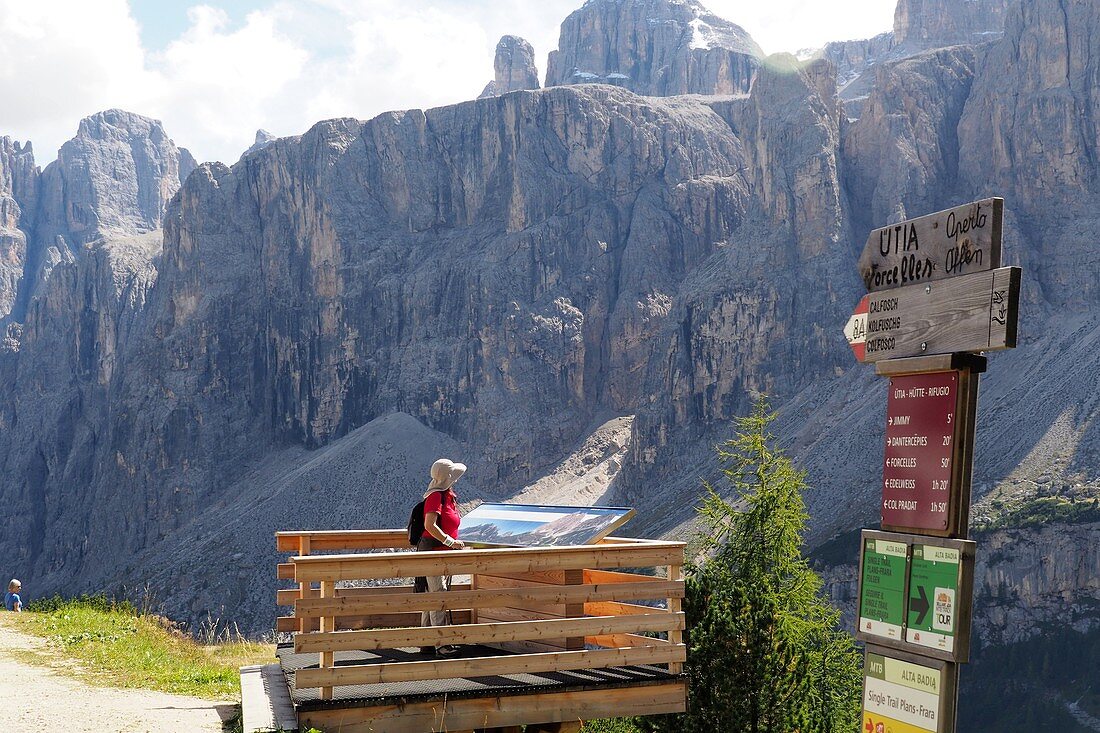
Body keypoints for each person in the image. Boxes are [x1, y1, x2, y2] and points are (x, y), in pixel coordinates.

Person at [416, 458, 467, 656]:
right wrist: (450, 542)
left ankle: (426, 642)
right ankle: (442, 644)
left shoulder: (445, 495)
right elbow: (430, 525)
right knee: (439, 595)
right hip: (434, 552)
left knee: (432, 594)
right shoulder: (436, 497)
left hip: (440, 552)